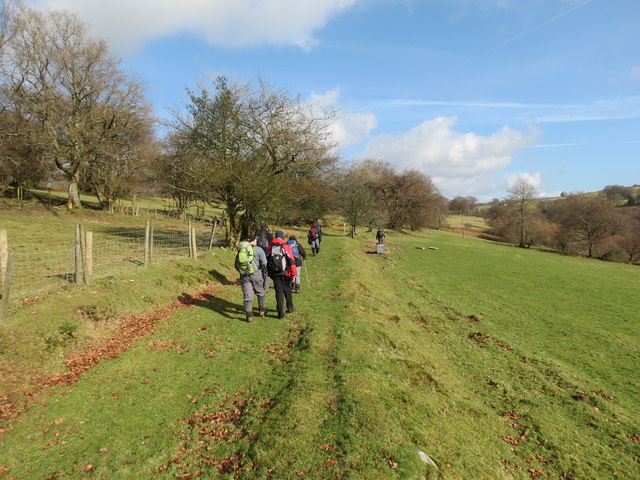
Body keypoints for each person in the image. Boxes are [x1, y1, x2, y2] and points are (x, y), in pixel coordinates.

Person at [234, 235, 267, 322]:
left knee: (247, 294)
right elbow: (264, 262)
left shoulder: (242, 249)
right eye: (255, 239)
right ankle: (261, 310)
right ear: (253, 241)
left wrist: (242, 271)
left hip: (244, 275)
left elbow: (236, 264)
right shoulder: (259, 250)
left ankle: (249, 314)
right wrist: (262, 270)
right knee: (260, 291)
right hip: (256, 274)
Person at [266, 230, 296, 319]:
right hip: (285, 272)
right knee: (287, 289)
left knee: (278, 292)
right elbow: (291, 260)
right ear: (282, 237)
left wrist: (269, 272)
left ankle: (280, 313)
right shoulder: (286, 246)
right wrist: (293, 273)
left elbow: (266, 261)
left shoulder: (270, 247)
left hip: (275, 273)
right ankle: (290, 307)